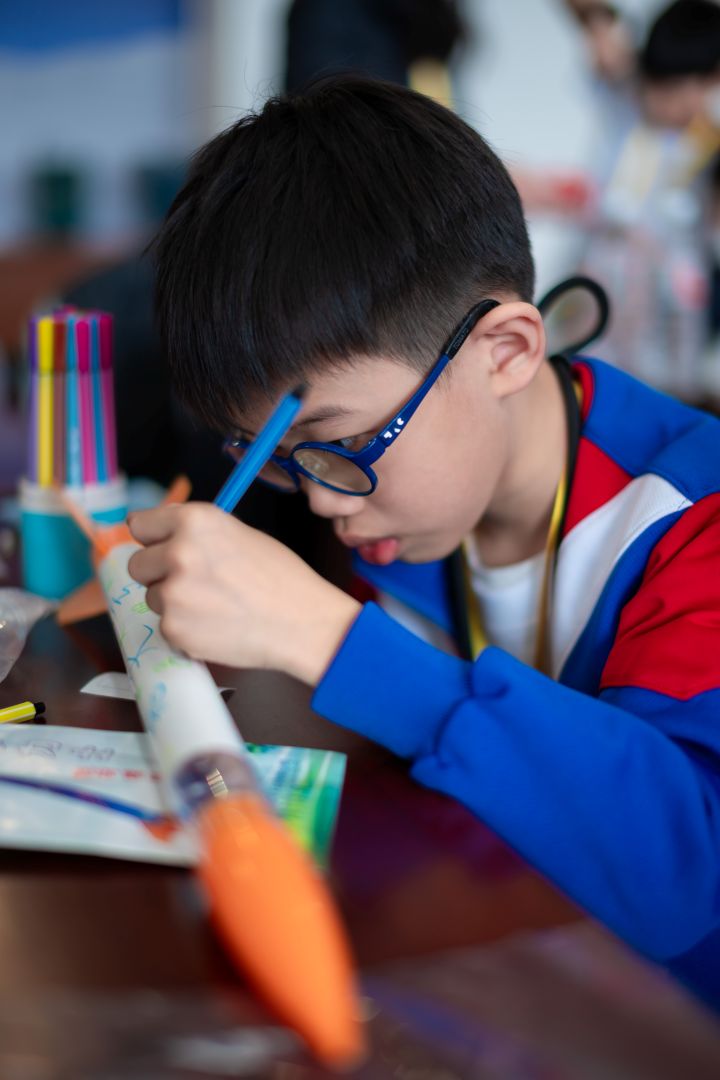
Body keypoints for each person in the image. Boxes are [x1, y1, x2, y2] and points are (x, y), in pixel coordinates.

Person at [127, 76, 720, 1009]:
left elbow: (684, 872)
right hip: (513, 976)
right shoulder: (409, 508)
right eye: (271, 457)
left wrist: (325, 636)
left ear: (506, 352)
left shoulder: (694, 517)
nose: (322, 501)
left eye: (344, 443)